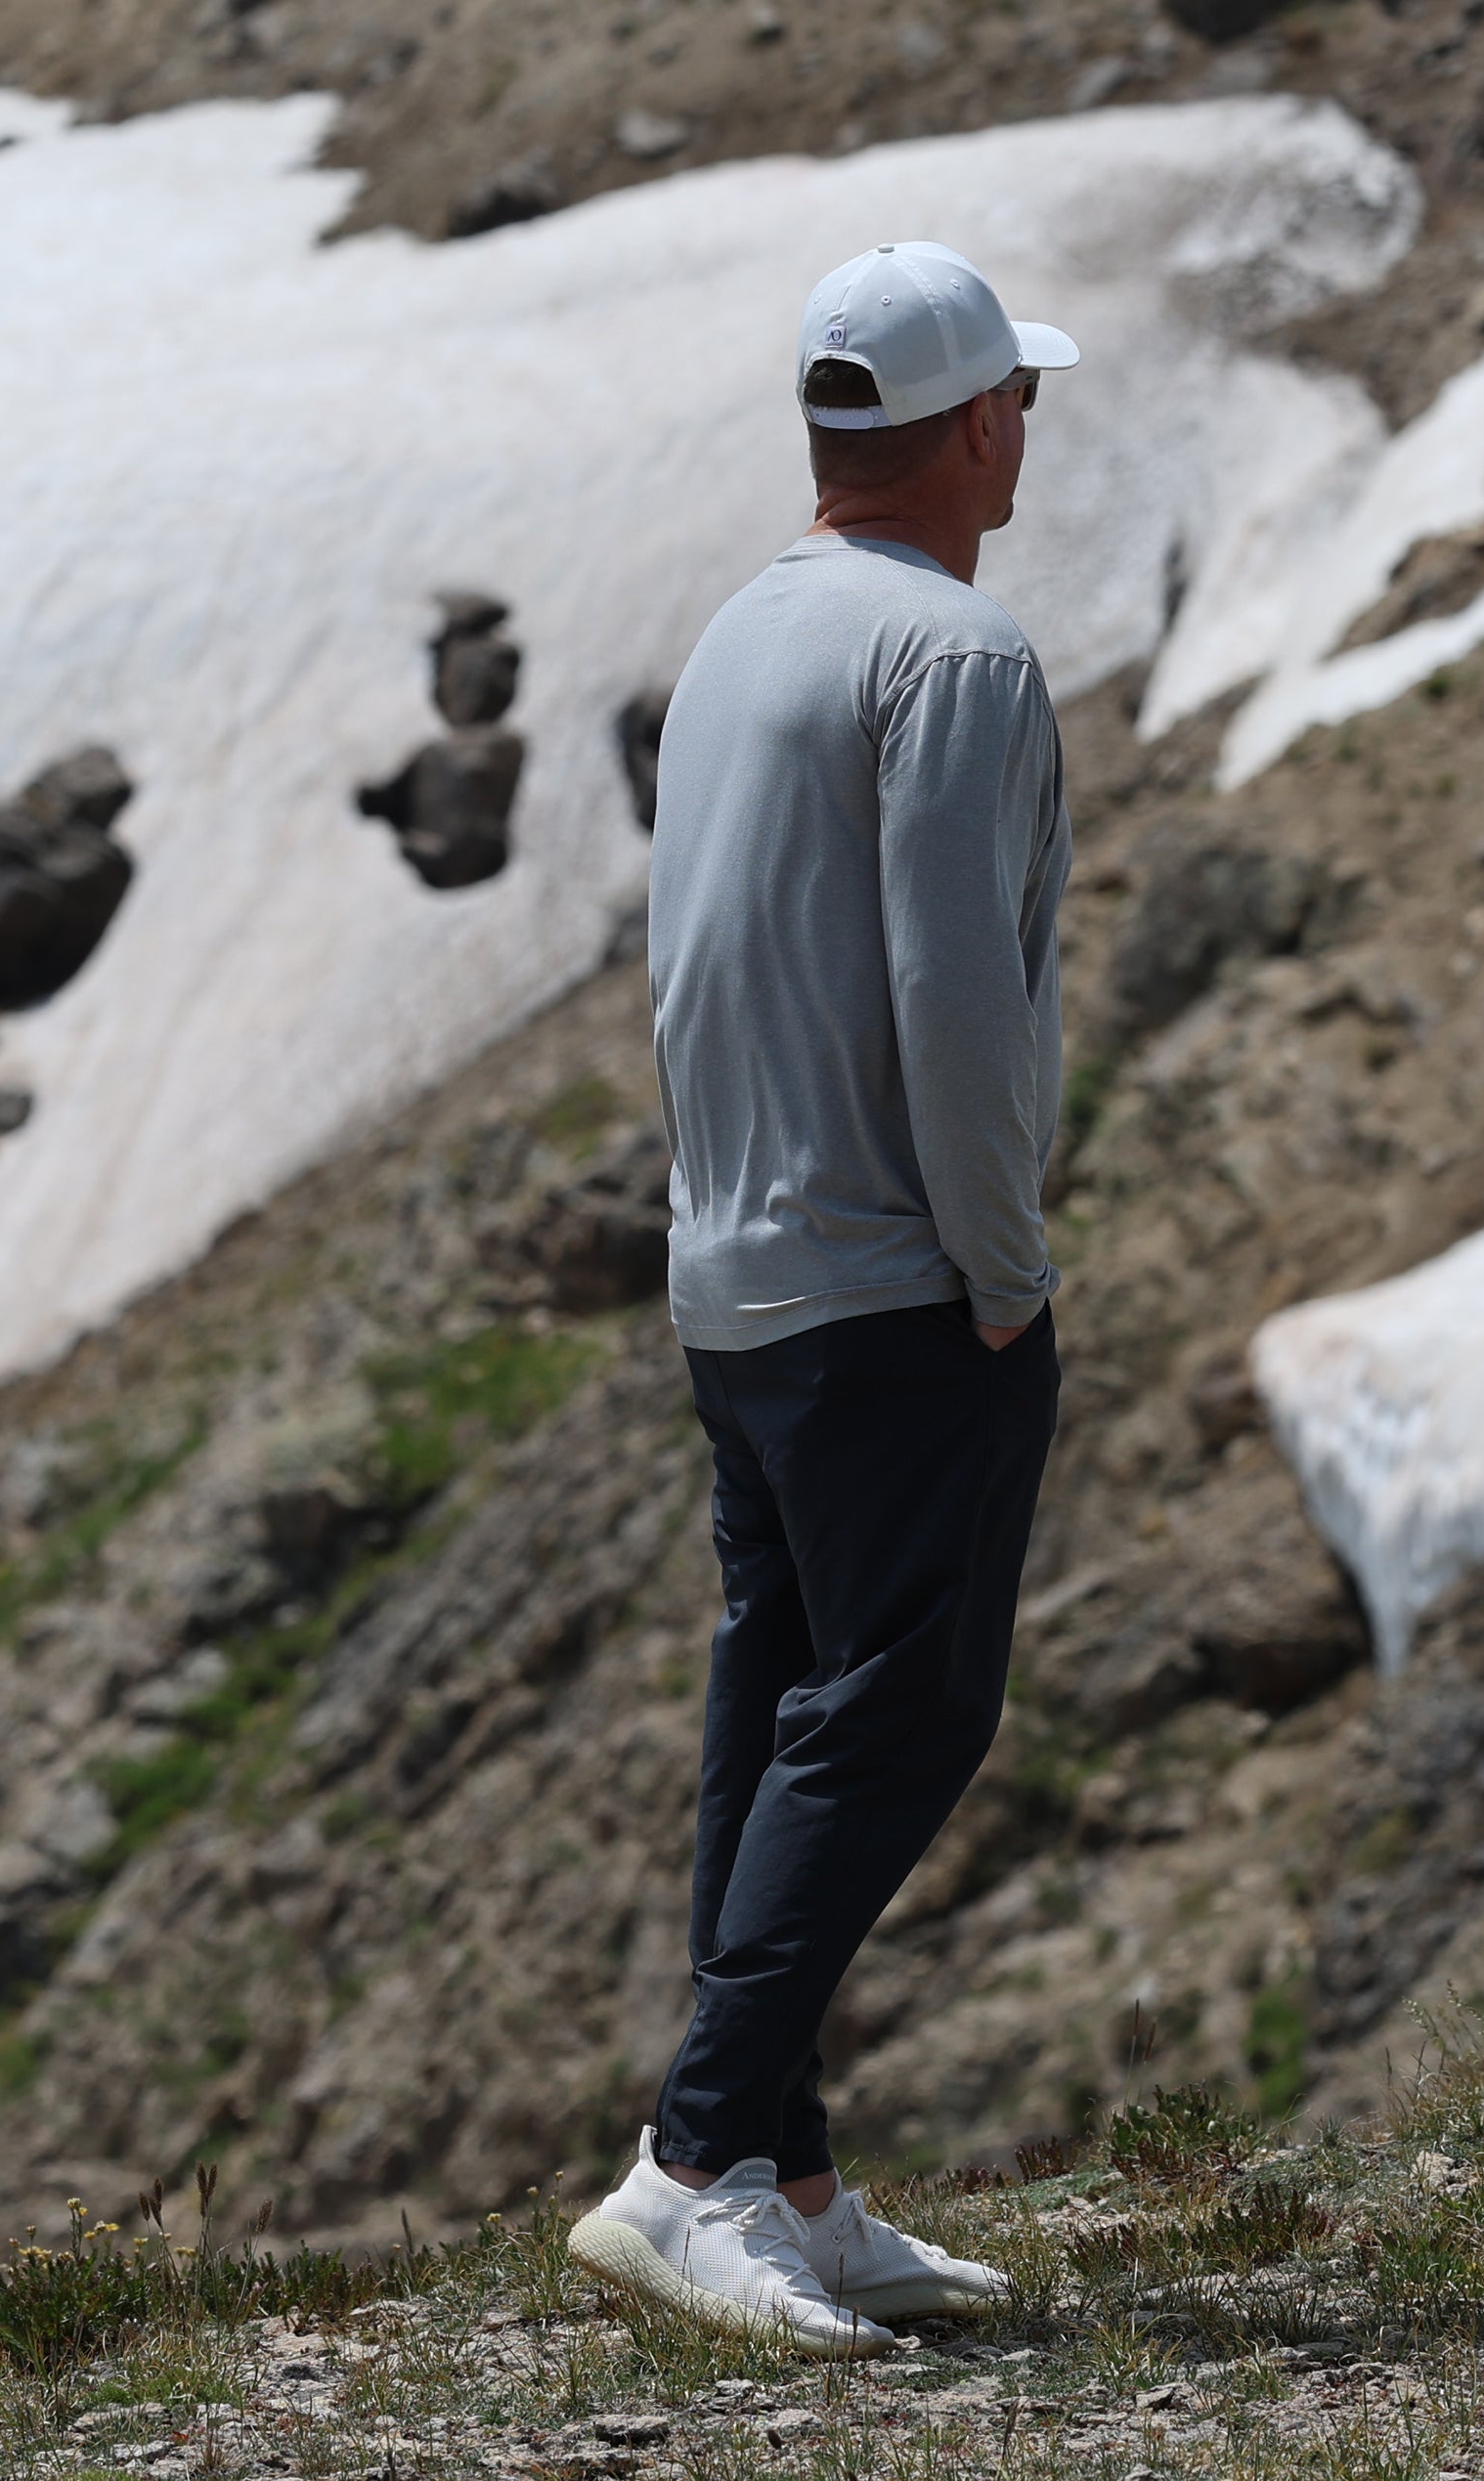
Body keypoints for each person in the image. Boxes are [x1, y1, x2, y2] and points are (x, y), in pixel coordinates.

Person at [567, 242, 1076, 2357]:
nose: (1027, 431)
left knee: (773, 1715)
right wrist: (1004, 1267)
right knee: (899, 1715)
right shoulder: (952, 657)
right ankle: (693, 2168)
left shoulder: (739, 636)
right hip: (893, 1285)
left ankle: (782, 2173)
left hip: (737, 1278)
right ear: (973, 427)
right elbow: (962, 1001)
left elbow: (695, 964)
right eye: (1019, 402)